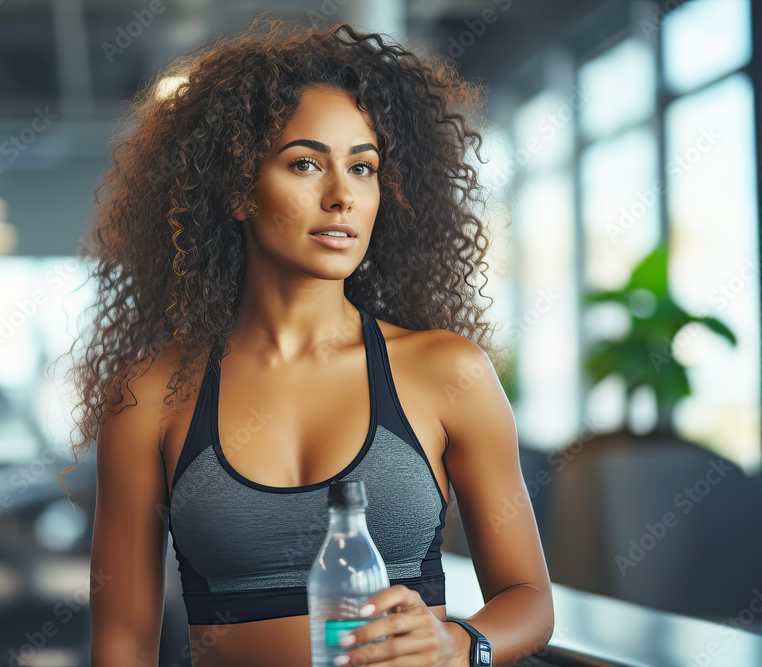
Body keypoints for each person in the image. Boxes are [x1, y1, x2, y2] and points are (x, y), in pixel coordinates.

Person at [67, 13, 554, 667]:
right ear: (239, 189)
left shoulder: (446, 372)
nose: (341, 197)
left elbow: (530, 598)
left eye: (363, 168)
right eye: (305, 164)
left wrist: (459, 641)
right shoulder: (150, 392)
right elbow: (122, 644)